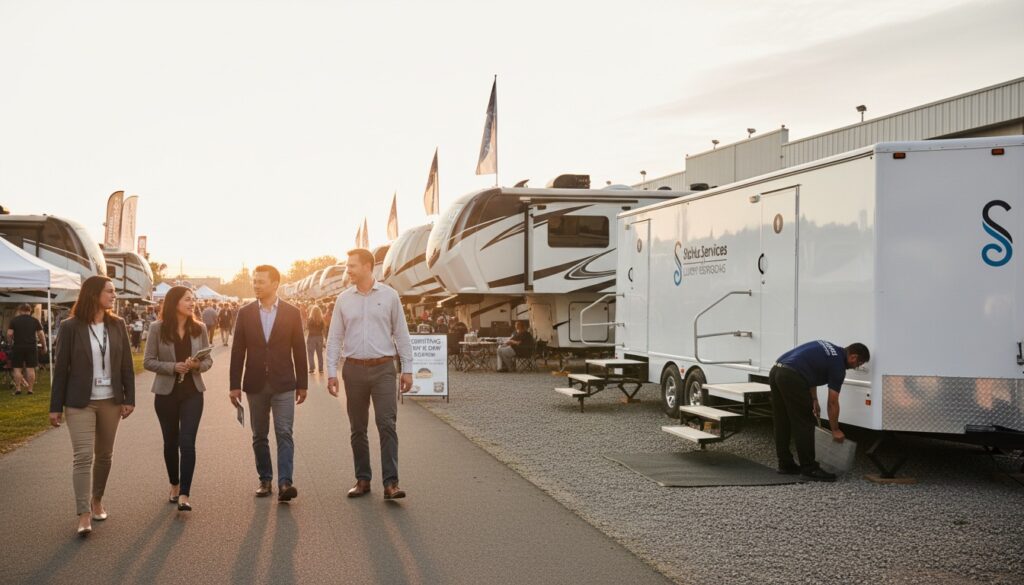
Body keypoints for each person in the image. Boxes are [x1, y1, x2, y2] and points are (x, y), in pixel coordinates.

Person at [49, 276, 135, 536]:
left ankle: (97, 500)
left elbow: (127, 366)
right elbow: (61, 370)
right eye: (109, 291)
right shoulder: (70, 327)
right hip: (79, 402)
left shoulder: (118, 324)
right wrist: (55, 406)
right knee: (83, 456)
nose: (114, 295)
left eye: (114, 291)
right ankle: (83, 513)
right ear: (94, 294)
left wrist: (129, 398)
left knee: (105, 456)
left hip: (110, 400)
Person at [326, 248, 414, 500]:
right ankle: (363, 480)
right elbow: (334, 339)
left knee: (387, 424)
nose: (348, 270)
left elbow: (402, 335)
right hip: (353, 369)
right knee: (358, 428)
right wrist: (331, 372)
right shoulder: (343, 299)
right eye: (347, 266)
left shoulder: (390, 296)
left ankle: (391, 483)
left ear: (368, 267)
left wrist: (407, 369)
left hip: (384, 369)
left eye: (352, 266)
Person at [230, 265, 307, 501]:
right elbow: (237, 351)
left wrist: (302, 383)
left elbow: (300, 350)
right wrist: (234, 385)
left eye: (261, 281)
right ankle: (265, 479)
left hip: (284, 383)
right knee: (259, 435)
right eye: (254, 281)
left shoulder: (292, 313)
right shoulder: (245, 313)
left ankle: (285, 483)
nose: (256, 285)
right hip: (255, 384)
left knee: (284, 432)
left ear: (275, 284)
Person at [144, 286, 213, 512]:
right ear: (174, 303)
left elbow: (208, 361)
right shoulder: (157, 328)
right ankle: (174, 483)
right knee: (170, 443)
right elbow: (148, 361)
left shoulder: (200, 328)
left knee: (188, 442)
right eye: (187, 299)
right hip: (166, 394)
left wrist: (196, 365)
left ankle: (184, 493)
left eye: (193, 299)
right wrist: (173, 367)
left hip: (193, 392)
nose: (192, 303)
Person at [769, 340, 870, 482]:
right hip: (792, 377)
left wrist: (814, 398)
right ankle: (809, 468)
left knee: (782, 421)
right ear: (853, 357)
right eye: (858, 364)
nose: (855, 367)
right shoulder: (838, 366)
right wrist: (835, 429)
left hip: (776, 371)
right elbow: (832, 402)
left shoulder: (829, 348)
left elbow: (811, 370)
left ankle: (785, 464)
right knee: (805, 423)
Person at [7, 303, 45, 394]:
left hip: (18, 346)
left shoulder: (14, 320)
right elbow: (41, 334)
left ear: (20, 311)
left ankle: (18, 389)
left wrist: (10, 342)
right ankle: (30, 390)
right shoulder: (35, 320)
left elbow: (9, 334)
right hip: (31, 347)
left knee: (17, 368)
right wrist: (44, 345)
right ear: (30, 310)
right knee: (30, 368)